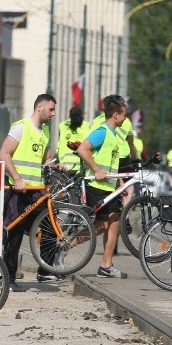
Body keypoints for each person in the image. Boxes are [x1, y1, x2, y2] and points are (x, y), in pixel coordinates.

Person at [0, 94, 59, 291]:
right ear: (39, 107)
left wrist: (57, 165)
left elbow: (43, 159)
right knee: (15, 234)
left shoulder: (45, 132)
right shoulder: (21, 127)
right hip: (19, 191)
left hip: (36, 191)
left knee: (51, 227)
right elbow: (4, 153)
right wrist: (16, 178)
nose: (53, 113)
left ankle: (45, 270)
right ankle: (8, 278)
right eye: (51, 109)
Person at [76, 95, 129, 279]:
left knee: (114, 222)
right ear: (115, 115)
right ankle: (65, 246)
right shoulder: (103, 131)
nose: (125, 118)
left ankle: (106, 265)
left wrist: (119, 183)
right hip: (97, 186)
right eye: (124, 115)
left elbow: (111, 162)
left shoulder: (114, 134)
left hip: (109, 187)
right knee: (99, 226)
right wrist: (96, 169)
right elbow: (82, 149)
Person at [55, 106, 89, 172]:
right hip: (81, 167)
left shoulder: (62, 125)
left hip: (64, 166)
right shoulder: (86, 126)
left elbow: (59, 146)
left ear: (70, 116)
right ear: (82, 115)